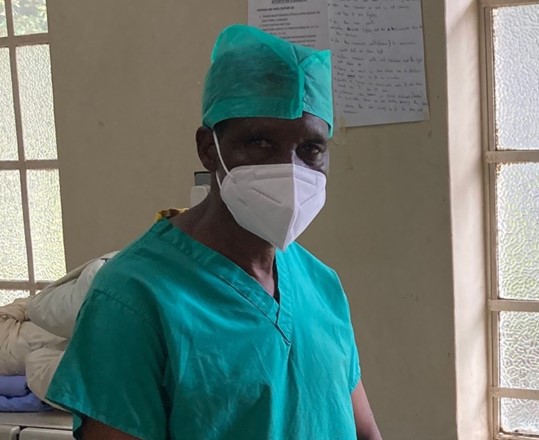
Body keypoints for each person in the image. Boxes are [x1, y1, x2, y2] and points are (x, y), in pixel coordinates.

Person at [46, 24, 382, 440]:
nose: (290, 170)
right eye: (260, 143)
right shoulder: (133, 300)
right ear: (209, 148)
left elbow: (363, 430)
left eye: (310, 149)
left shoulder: (321, 286)